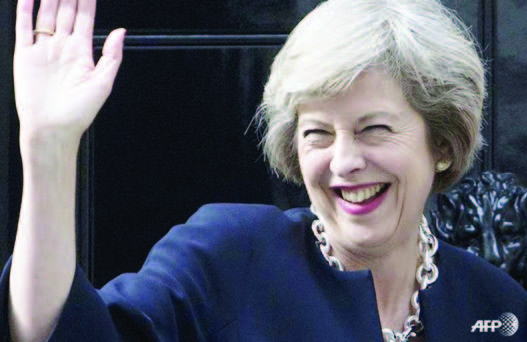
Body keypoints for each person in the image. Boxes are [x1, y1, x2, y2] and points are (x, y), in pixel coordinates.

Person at [2, 0, 526, 341]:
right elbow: (60, 332)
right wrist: (48, 149)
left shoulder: (498, 307)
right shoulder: (227, 256)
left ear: (441, 141)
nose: (344, 161)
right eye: (318, 133)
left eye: (374, 130)